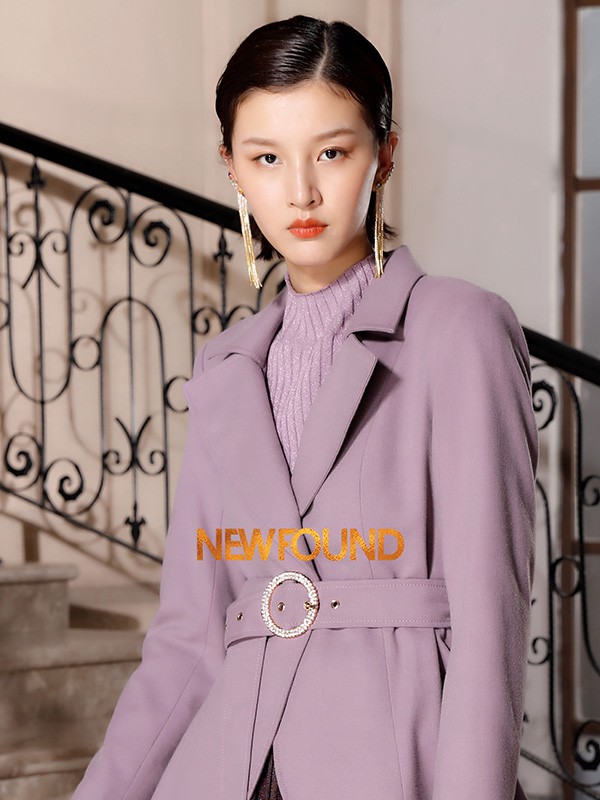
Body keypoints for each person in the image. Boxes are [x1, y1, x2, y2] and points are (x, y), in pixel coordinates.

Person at [71, 15, 538, 800]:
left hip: (392, 765)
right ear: (231, 167)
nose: (300, 192)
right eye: (266, 158)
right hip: (227, 768)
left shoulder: (460, 329)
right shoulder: (226, 369)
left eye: (332, 152)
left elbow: (489, 630)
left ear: (385, 154)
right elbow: (187, 643)